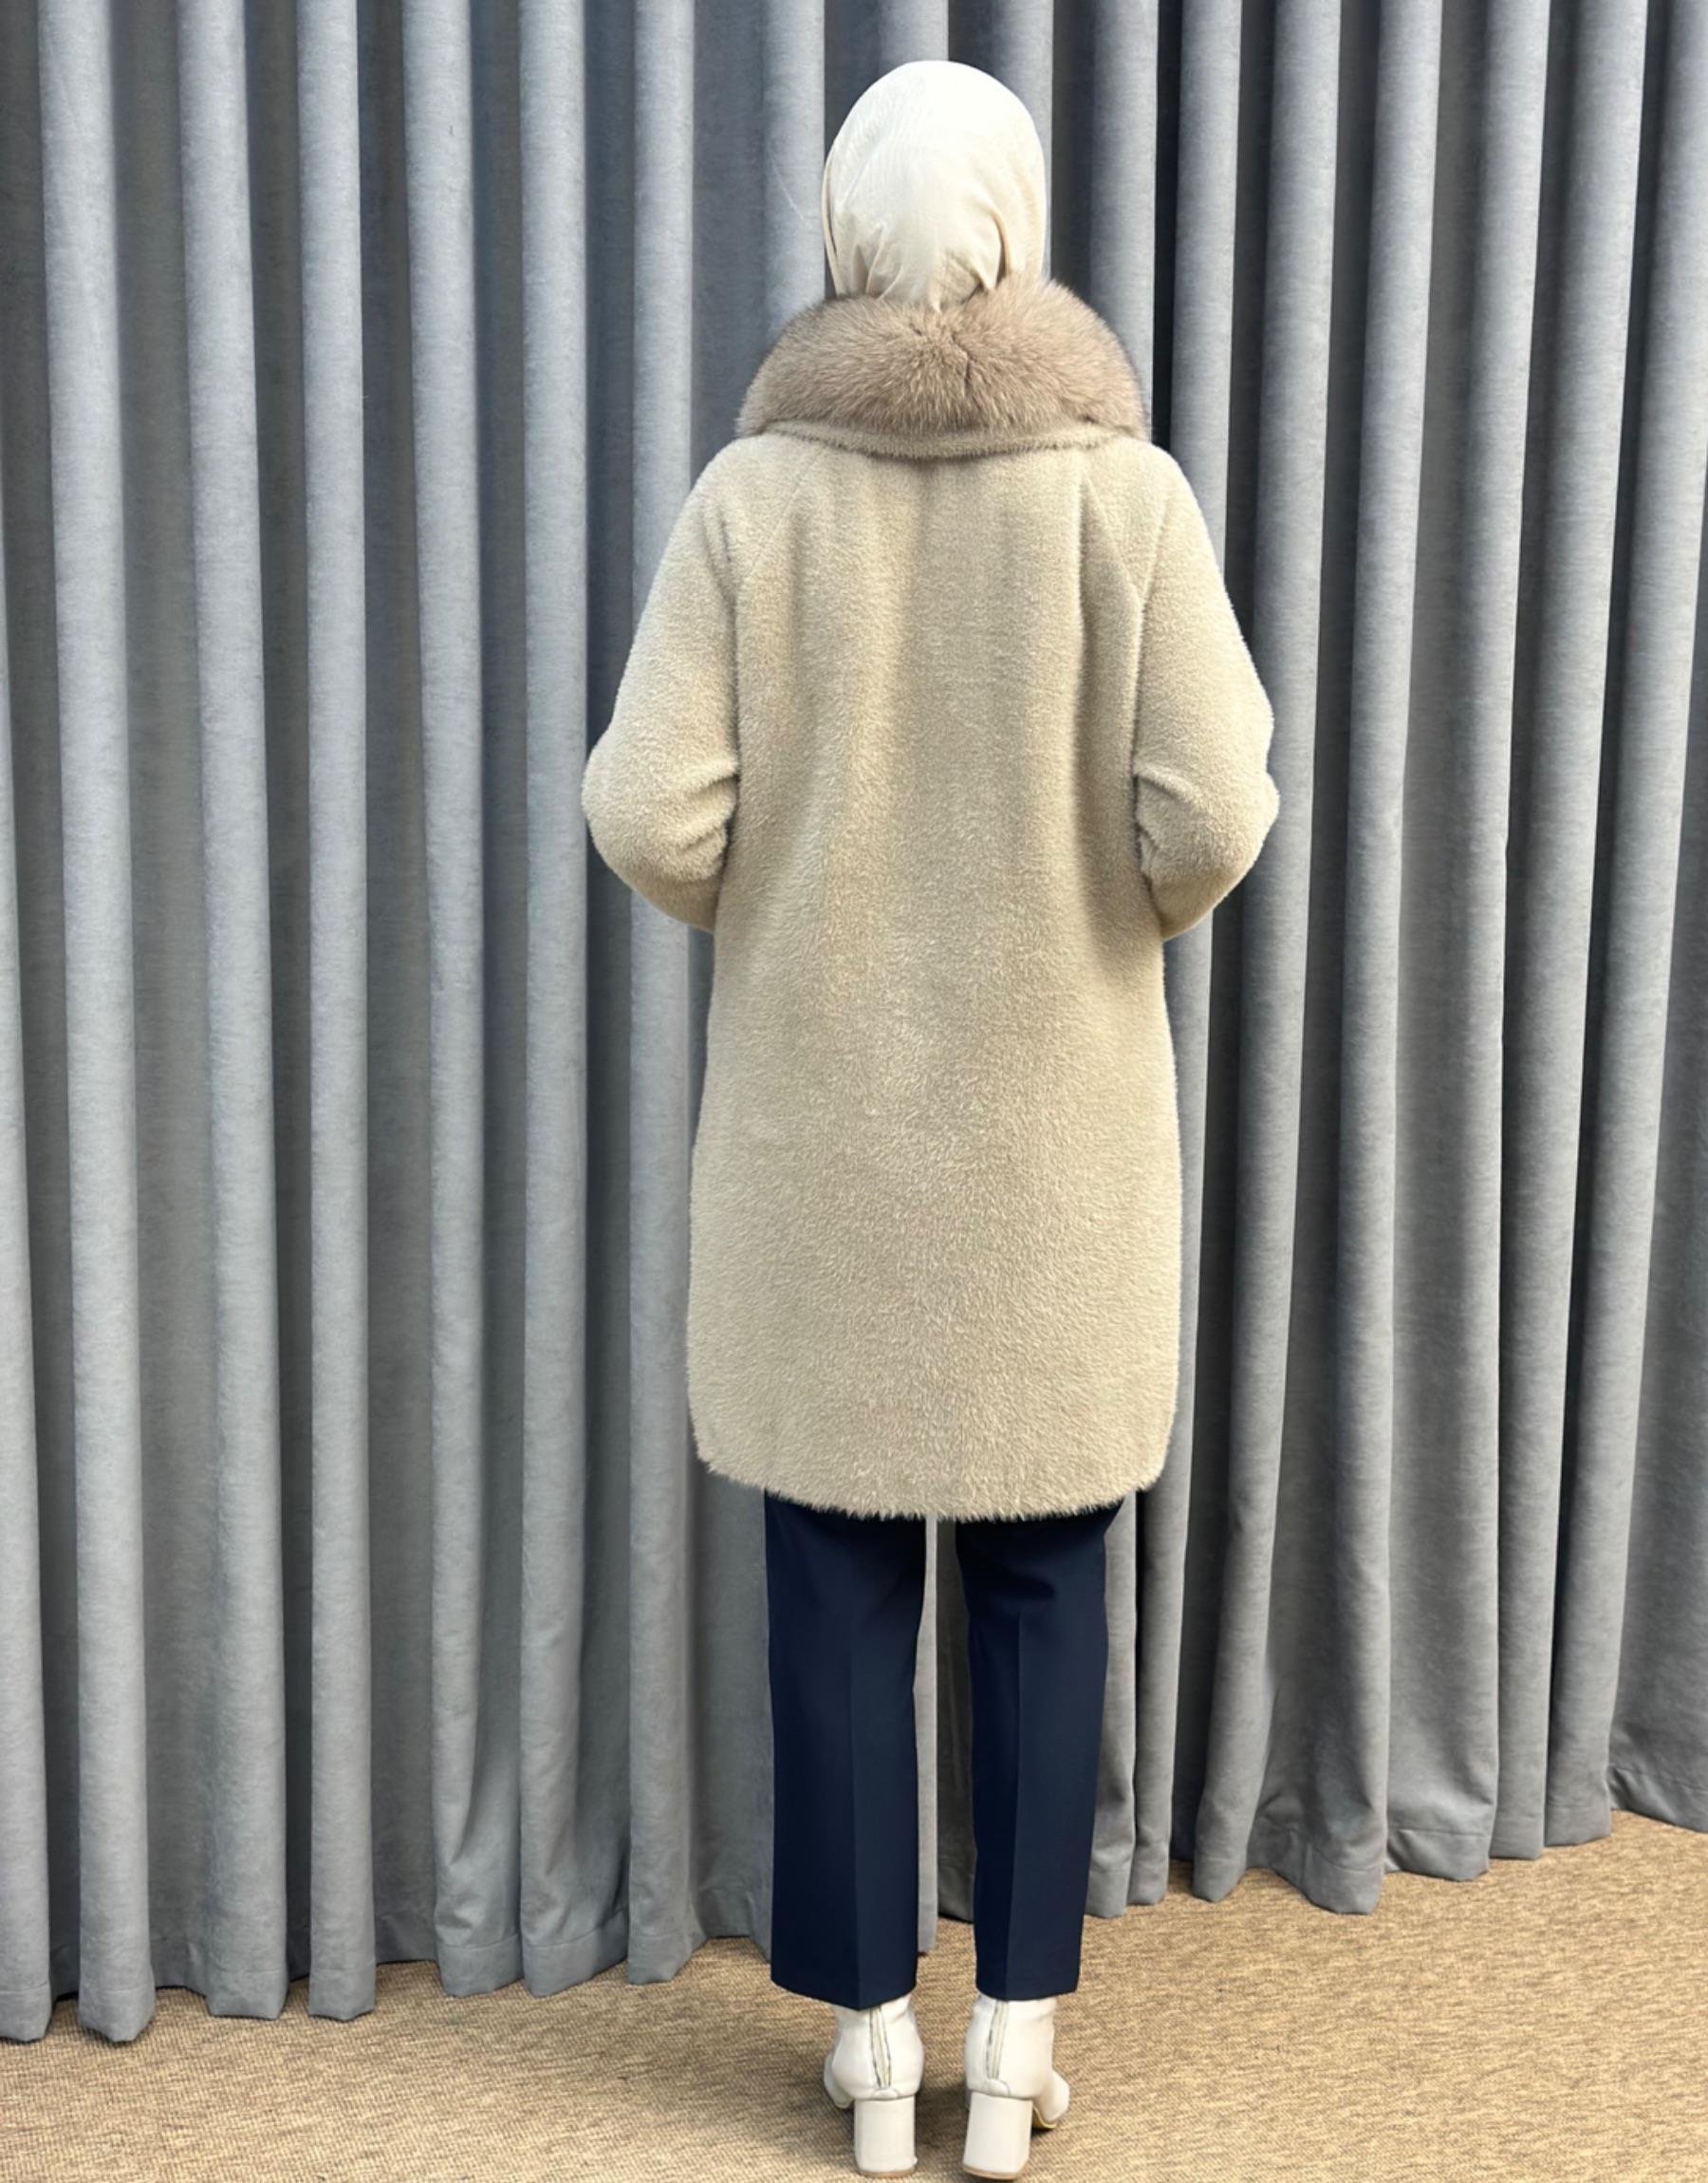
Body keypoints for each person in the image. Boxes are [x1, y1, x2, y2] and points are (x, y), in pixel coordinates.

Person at [581, 55, 1280, 2182]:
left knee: (836, 1593)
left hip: (822, 1168)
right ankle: (1019, 2038)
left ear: (841, 235)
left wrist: (793, 893)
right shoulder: (1123, 501)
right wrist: (1100, 906)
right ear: (1018, 226)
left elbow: (647, 812)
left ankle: (874, 2048)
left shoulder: (752, 502)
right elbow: (1214, 811)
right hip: (1056, 1168)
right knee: (1049, 1589)